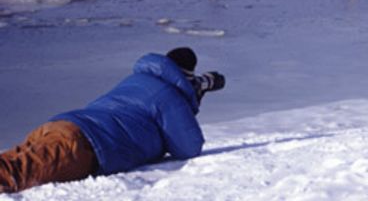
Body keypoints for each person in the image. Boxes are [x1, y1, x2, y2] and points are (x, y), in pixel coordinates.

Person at [0, 47, 225, 193]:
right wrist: (190, 103)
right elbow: (188, 147)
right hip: (83, 145)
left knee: (12, 161)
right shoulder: (169, 96)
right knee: (13, 174)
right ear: (187, 76)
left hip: (63, 127)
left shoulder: (136, 79)